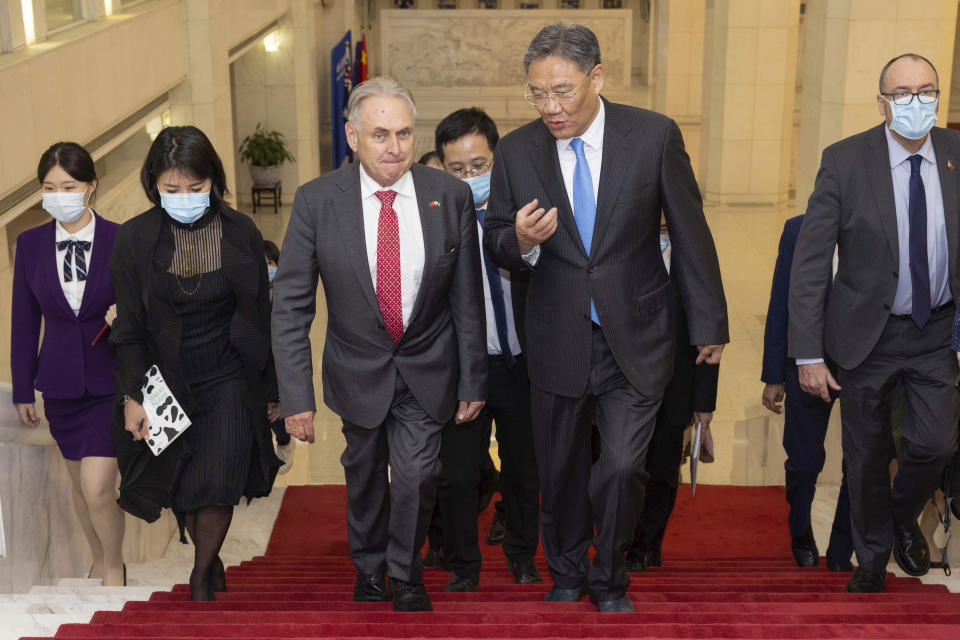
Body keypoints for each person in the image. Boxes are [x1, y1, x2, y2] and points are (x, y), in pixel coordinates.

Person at [483, 24, 728, 612]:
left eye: (563, 91)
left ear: (597, 78)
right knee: (562, 469)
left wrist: (710, 323)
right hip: (557, 334)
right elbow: (495, 240)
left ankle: (610, 571)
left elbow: (692, 236)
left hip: (637, 335)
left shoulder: (652, 137)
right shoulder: (517, 151)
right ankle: (566, 570)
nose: (551, 107)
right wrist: (520, 239)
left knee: (621, 466)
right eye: (537, 94)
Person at [271, 77, 486, 613]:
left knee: (416, 475)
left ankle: (404, 572)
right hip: (356, 368)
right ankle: (369, 569)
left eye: (405, 134)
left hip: (428, 367)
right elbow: (292, 304)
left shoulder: (449, 195)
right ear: (352, 136)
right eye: (381, 134)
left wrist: (473, 378)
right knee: (365, 477)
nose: (395, 147)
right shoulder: (318, 201)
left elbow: (466, 300)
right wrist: (296, 395)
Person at [789, 53, 960, 593]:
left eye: (926, 90)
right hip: (865, 337)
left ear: (940, 95)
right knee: (864, 458)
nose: (916, 102)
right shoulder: (844, 161)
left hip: (935, 332)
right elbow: (811, 263)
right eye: (903, 93)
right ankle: (869, 560)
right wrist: (808, 354)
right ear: (882, 102)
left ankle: (899, 517)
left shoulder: (957, 154)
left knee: (935, 444)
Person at [109, 125, 281, 601]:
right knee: (184, 487)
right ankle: (211, 557)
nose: (185, 197)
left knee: (219, 481)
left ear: (214, 182)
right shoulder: (135, 240)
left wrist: (273, 391)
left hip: (227, 376)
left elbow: (260, 316)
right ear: (154, 186)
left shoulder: (240, 232)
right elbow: (130, 328)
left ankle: (201, 575)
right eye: (172, 189)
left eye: (196, 188)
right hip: (165, 382)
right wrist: (132, 397)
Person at [432, 107, 541, 592]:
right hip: (462, 373)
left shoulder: (528, 213)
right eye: (457, 169)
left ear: (498, 159)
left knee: (525, 472)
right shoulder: (436, 222)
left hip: (522, 367)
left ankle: (521, 555)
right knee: (456, 477)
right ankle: (463, 565)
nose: (469, 177)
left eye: (479, 166)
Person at [11, 142, 126, 586]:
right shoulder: (31, 245)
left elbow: (147, 310)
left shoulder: (120, 238)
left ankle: (114, 566)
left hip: (109, 380)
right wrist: (24, 388)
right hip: (59, 386)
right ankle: (98, 562)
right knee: (81, 489)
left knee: (99, 488)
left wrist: (126, 321)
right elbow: (24, 322)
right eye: (49, 187)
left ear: (91, 187)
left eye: (69, 185)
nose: (59, 194)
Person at [625, 224, 719, 572]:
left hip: (675, 384)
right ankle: (617, 537)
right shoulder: (623, 244)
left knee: (663, 471)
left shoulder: (696, 254)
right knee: (623, 467)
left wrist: (704, 404)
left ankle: (646, 545)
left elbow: (711, 329)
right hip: (624, 382)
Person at [762, 215, 853, 571]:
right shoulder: (799, 229)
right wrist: (774, 375)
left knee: (860, 461)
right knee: (803, 460)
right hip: (807, 360)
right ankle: (799, 529)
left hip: (866, 362)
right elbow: (781, 300)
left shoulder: (882, 223)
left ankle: (844, 546)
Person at [264, 239, 294, 474]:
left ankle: (284, 441)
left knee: (277, 418)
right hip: (256, 366)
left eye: (270, 262)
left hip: (278, 365)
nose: (266, 268)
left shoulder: (285, 297)